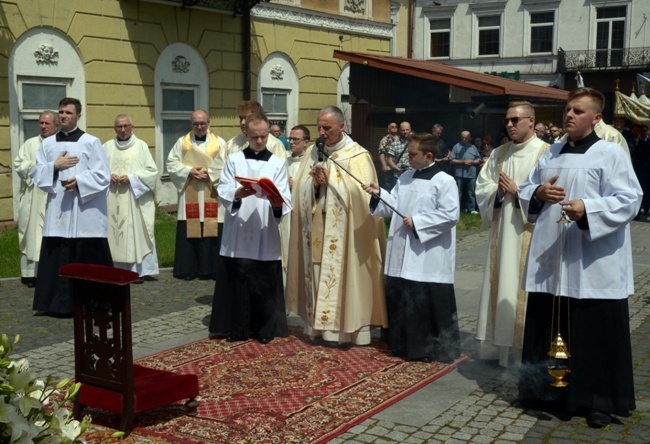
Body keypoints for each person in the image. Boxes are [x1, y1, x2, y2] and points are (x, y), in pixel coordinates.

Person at [518, 87, 641, 428]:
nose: (569, 115)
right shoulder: (551, 153)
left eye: (578, 111)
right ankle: (547, 393)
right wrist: (539, 193)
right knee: (551, 323)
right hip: (554, 257)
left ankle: (597, 401)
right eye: (568, 109)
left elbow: (630, 199)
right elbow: (528, 190)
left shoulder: (610, 154)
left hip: (592, 259)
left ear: (596, 118)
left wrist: (589, 208)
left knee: (593, 330)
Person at [286, 105, 387, 346]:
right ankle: (319, 329)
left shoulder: (357, 155)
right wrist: (314, 186)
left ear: (342, 126)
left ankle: (349, 331)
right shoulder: (314, 152)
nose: (322, 132)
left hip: (348, 235)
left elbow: (364, 196)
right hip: (318, 224)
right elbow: (299, 187)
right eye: (319, 127)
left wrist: (331, 182)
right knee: (319, 273)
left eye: (327, 127)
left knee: (347, 279)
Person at [362, 133, 461, 362]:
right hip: (403, 249)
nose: (407, 158)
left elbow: (450, 215)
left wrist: (418, 222)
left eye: (412, 154)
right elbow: (393, 205)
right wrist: (379, 195)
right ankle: (400, 344)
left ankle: (430, 348)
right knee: (403, 296)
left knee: (424, 300)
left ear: (428, 155)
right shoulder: (406, 176)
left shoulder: (444, 181)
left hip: (428, 254)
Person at [475, 101, 549, 367]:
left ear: (532, 120)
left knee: (522, 288)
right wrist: (498, 192)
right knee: (501, 281)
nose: (509, 125)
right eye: (507, 120)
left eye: (515, 120)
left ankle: (523, 352)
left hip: (532, 235)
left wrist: (520, 192)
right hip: (503, 231)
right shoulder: (499, 153)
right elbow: (482, 186)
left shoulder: (547, 154)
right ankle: (499, 349)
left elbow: (552, 194)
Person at [209, 112, 291, 344]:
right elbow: (224, 188)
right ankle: (238, 328)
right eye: (255, 136)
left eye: (264, 136)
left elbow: (283, 193)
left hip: (265, 228)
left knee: (264, 279)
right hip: (239, 226)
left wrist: (277, 205)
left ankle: (265, 329)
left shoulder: (277, 162)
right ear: (246, 134)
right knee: (239, 280)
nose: (260, 141)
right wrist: (236, 194)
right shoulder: (234, 159)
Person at [29, 97, 112, 316]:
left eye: (68, 113)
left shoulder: (91, 142)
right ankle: (54, 304)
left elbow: (103, 176)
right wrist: (54, 166)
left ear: (78, 116)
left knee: (86, 253)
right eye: (61, 112)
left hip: (85, 212)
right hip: (58, 209)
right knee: (56, 252)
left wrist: (80, 182)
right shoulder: (47, 144)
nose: (64, 116)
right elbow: (35, 173)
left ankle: (92, 303)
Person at [166, 109, 227, 281]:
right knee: (190, 228)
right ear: (190, 124)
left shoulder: (220, 143)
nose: (199, 127)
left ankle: (211, 269)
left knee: (212, 228)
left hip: (211, 192)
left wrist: (211, 175)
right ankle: (189, 269)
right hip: (190, 192)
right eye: (195, 124)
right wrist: (189, 170)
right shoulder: (182, 143)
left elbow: (227, 166)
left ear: (209, 122)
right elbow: (171, 163)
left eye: (202, 123)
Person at [103, 114, 159, 282]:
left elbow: (152, 172)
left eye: (126, 126)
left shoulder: (141, 146)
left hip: (134, 198)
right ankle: (115, 270)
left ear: (131, 127)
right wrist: (109, 176)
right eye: (119, 126)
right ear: (114, 128)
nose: (123, 130)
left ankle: (139, 271)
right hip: (112, 196)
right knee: (113, 234)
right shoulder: (106, 147)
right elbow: (98, 171)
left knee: (135, 232)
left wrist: (131, 178)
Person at [14, 110, 59, 288]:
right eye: (41, 123)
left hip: (52, 196)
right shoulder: (30, 143)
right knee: (31, 232)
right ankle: (29, 274)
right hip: (34, 195)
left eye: (47, 123)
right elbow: (19, 164)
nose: (43, 126)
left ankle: (51, 273)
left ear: (56, 125)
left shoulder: (61, 144)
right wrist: (37, 167)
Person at [449, 130, 481, 214]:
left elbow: (478, 160)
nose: (464, 139)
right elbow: (451, 160)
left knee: (471, 192)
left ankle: (472, 209)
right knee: (458, 192)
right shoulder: (456, 146)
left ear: (469, 138)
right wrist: (463, 162)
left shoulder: (473, 148)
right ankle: (457, 209)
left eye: (466, 138)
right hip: (459, 173)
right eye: (462, 137)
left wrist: (472, 162)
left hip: (471, 173)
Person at [384, 121, 412, 190]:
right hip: (398, 176)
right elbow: (389, 159)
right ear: (400, 130)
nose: (405, 132)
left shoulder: (415, 142)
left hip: (412, 175)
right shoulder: (395, 143)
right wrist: (397, 168)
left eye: (407, 130)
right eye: (403, 130)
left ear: (410, 129)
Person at [378, 122, 398, 187]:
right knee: (388, 186)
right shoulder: (385, 140)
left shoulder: (400, 139)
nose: (394, 128)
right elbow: (381, 152)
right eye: (392, 127)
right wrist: (384, 165)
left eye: (395, 126)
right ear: (388, 130)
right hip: (389, 168)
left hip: (399, 167)